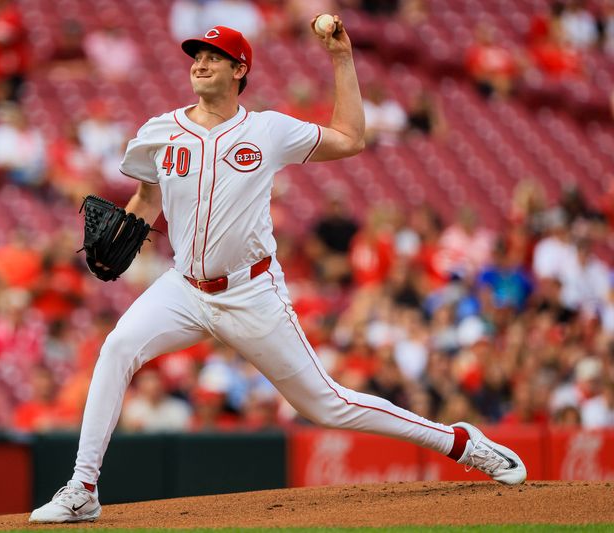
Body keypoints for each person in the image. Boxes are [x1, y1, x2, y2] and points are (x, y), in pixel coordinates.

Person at [30, 20, 527, 524]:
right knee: (116, 348)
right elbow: (145, 198)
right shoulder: (160, 131)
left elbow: (351, 138)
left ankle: (460, 442)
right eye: (195, 56)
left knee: (326, 405)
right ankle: (83, 486)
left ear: (239, 68)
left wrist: (340, 58)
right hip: (183, 287)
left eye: (213, 56)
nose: (199, 63)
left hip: (251, 292)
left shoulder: (267, 130)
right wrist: (123, 229)